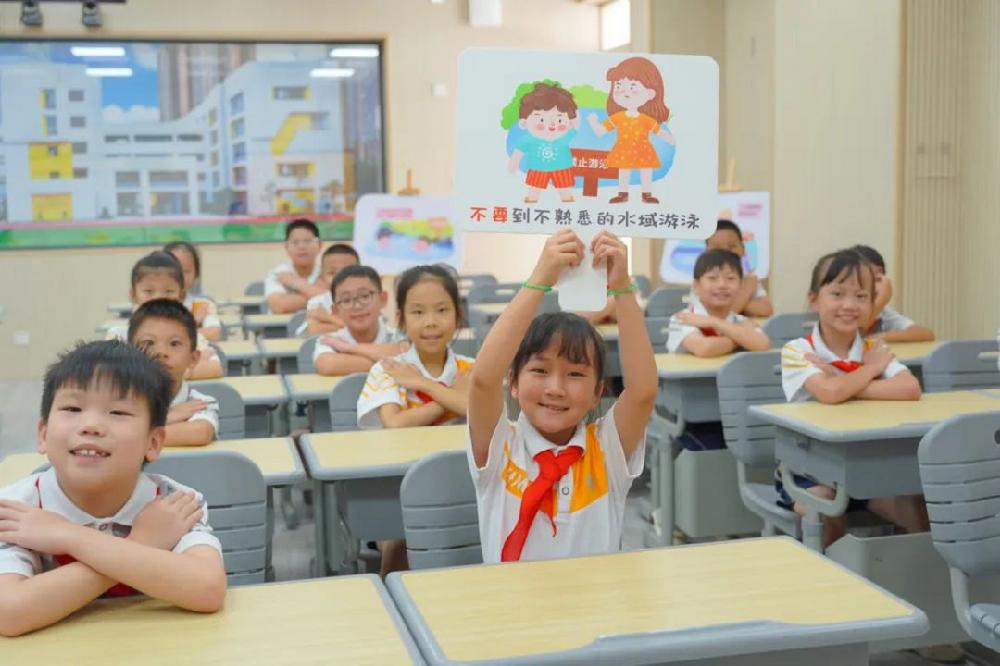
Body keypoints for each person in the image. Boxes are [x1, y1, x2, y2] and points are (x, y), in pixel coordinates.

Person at [0, 340, 226, 636]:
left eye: (118, 412)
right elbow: (8, 612)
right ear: (43, 434)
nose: (91, 425)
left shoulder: (173, 503)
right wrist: (143, 542)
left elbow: (207, 589)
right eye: (72, 408)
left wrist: (69, 536)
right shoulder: (17, 508)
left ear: (153, 442)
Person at [468, 229, 657, 562]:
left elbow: (642, 393)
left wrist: (623, 288)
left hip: (594, 597)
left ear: (598, 393)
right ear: (513, 382)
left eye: (575, 374)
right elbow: (483, 380)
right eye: (540, 370)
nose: (555, 388)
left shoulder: (606, 450)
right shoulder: (501, 448)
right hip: (508, 596)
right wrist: (539, 278)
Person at [778, 249, 927, 548]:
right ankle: (822, 573)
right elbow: (829, 394)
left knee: (918, 506)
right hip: (810, 471)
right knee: (823, 510)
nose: (849, 305)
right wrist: (870, 371)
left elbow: (909, 388)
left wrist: (839, 381)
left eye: (861, 296)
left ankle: (913, 574)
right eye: (837, 294)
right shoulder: (798, 350)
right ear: (814, 299)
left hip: (867, 468)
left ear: (872, 304)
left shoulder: (873, 348)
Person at [356, 264, 473, 577]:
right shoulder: (389, 369)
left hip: (464, 484)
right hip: (399, 488)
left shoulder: (471, 367)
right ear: (401, 319)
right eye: (418, 312)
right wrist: (450, 397)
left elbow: (476, 408)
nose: (431, 322)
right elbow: (395, 423)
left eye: (442, 310)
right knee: (399, 543)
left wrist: (423, 385)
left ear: (458, 315)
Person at [106, 251, 222, 379]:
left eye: (168, 291)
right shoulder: (118, 336)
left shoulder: (189, 336)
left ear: (181, 296)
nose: (158, 297)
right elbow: (109, 373)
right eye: (149, 291)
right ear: (133, 295)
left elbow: (215, 368)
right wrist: (177, 371)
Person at [128, 299, 219, 447]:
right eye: (149, 343)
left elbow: (200, 433)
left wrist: (133, 432)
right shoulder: (118, 398)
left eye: (174, 343)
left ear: (193, 358)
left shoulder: (199, 402)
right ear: (129, 353)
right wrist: (166, 417)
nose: (161, 352)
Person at [588, 56, 674, 204]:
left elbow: (658, 132)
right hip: (623, 149)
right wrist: (593, 122)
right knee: (623, 171)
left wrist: (669, 138)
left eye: (633, 87)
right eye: (619, 86)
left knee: (645, 171)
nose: (625, 92)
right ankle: (623, 194)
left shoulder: (646, 119)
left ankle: (646, 194)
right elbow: (601, 131)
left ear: (650, 94)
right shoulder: (618, 117)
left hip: (643, 149)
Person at [667, 249, 770, 358]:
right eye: (712, 278)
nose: (722, 285)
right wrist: (744, 339)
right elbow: (705, 348)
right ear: (696, 286)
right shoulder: (681, 319)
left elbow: (763, 344)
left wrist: (713, 322)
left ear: (741, 286)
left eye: (730, 278)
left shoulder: (740, 320)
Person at [313, 265, 406, 377]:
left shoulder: (398, 336)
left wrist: (350, 348)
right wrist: (393, 361)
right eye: (346, 300)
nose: (357, 306)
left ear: (383, 299)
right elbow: (328, 365)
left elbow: (409, 354)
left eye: (365, 296)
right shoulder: (332, 340)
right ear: (335, 310)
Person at [508, 83, 580, 204]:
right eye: (541, 119)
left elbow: (576, 125)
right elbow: (518, 152)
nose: (552, 124)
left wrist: (574, 112)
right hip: (538, 167)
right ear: (524, 123)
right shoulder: (529, 139)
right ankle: (532, 201)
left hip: (562, 167)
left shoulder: (564, 137)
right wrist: (513, 164)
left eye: (559, 119)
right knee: (534, 188)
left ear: (570, 121)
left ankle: (567, 200)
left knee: (564, 188)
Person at [850, 244, 934, 342]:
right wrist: (882, 300)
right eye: (871, 276)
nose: (877, 283)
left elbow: (926, 334)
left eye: (879, 277)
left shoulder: (883, 312)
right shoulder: (844, 306)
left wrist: (878, 338)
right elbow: (849, 337)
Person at [703, 219, 774, 317]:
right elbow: (720, 316)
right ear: (706, 252)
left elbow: (766, 309)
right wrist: (747, 291)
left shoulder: (747, 277)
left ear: (743, 249)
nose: (726, 253)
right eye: (718, 248)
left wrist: (736, 306)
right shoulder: (704, 279)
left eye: (731, 246)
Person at [163, 241, 222, 341]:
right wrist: (193, 322)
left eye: (186, 271)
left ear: (196, 274)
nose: (180, 276)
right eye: (174, 270)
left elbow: (214, 333)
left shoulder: (203, 304)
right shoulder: (152, 304)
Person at [264, 218, 326, 314]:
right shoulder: (278, 274)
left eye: (307, 241)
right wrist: (318, 295)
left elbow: (334, 300)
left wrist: (296, 283)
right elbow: (279, 306)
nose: (301, 247)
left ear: (319, 245)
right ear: (286, 247)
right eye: (295, 242)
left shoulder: (326, 271)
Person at [302, 243, 361, 336]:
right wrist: (349, 327)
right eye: (332, 273)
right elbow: (314, 329)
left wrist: (326, 317)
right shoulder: (316, 302)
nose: (340, 277)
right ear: (322, 276)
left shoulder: (366, 300)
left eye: (347, 272)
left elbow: (364, 329)